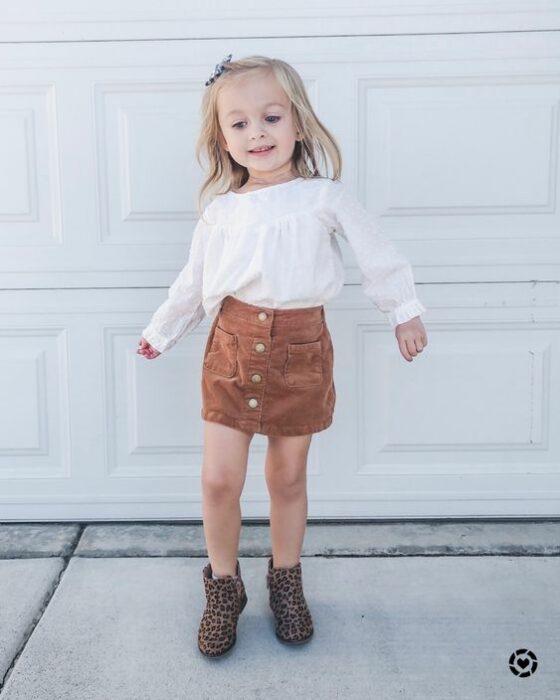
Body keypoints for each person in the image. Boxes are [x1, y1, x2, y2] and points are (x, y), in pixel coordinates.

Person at [137, 53, 428, 658]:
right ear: (222, 138)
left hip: (302, 350)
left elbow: (378, 251)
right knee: (219, 479)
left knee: (287, 476)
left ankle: (286, 581)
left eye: (270, 117)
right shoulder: (221, 211)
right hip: (233, 347)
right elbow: (194, 283)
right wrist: (162, 331)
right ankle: (223, 588)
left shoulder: (323, 197)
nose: (257, 133)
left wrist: (402, 310)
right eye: (238, 124)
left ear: (298, 122)